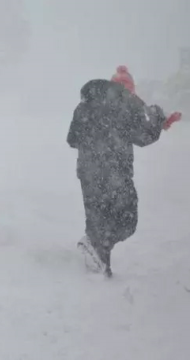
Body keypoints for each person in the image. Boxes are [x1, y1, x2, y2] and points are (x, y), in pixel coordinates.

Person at [67, 67, 181, 277]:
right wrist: (159, 118)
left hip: (88, 175)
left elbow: (72, 139)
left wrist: (95, 139)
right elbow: (144, 137)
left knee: (98, 222)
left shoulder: (84, 105)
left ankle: (99, 268)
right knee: (126, 221)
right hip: (115, 175)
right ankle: (94, 248)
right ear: (127, 88)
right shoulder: (127, 104)